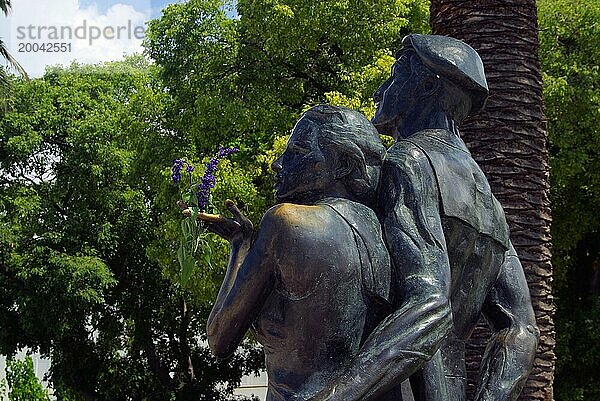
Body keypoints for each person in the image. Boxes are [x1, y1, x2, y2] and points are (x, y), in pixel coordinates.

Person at [308, 34, 540, 401]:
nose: (378, 91)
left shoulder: (409, 162)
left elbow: (429, 304)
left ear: (428, 85)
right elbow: (521, 329)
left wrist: (335, 396)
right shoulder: (488, 199)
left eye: (395, 75)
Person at [201, 105, 400, 400]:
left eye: (298, 150)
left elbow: (219, 338)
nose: (278, 164)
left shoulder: (286, 222)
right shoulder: (388, 234)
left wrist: (240, 245)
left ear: (343, 163)